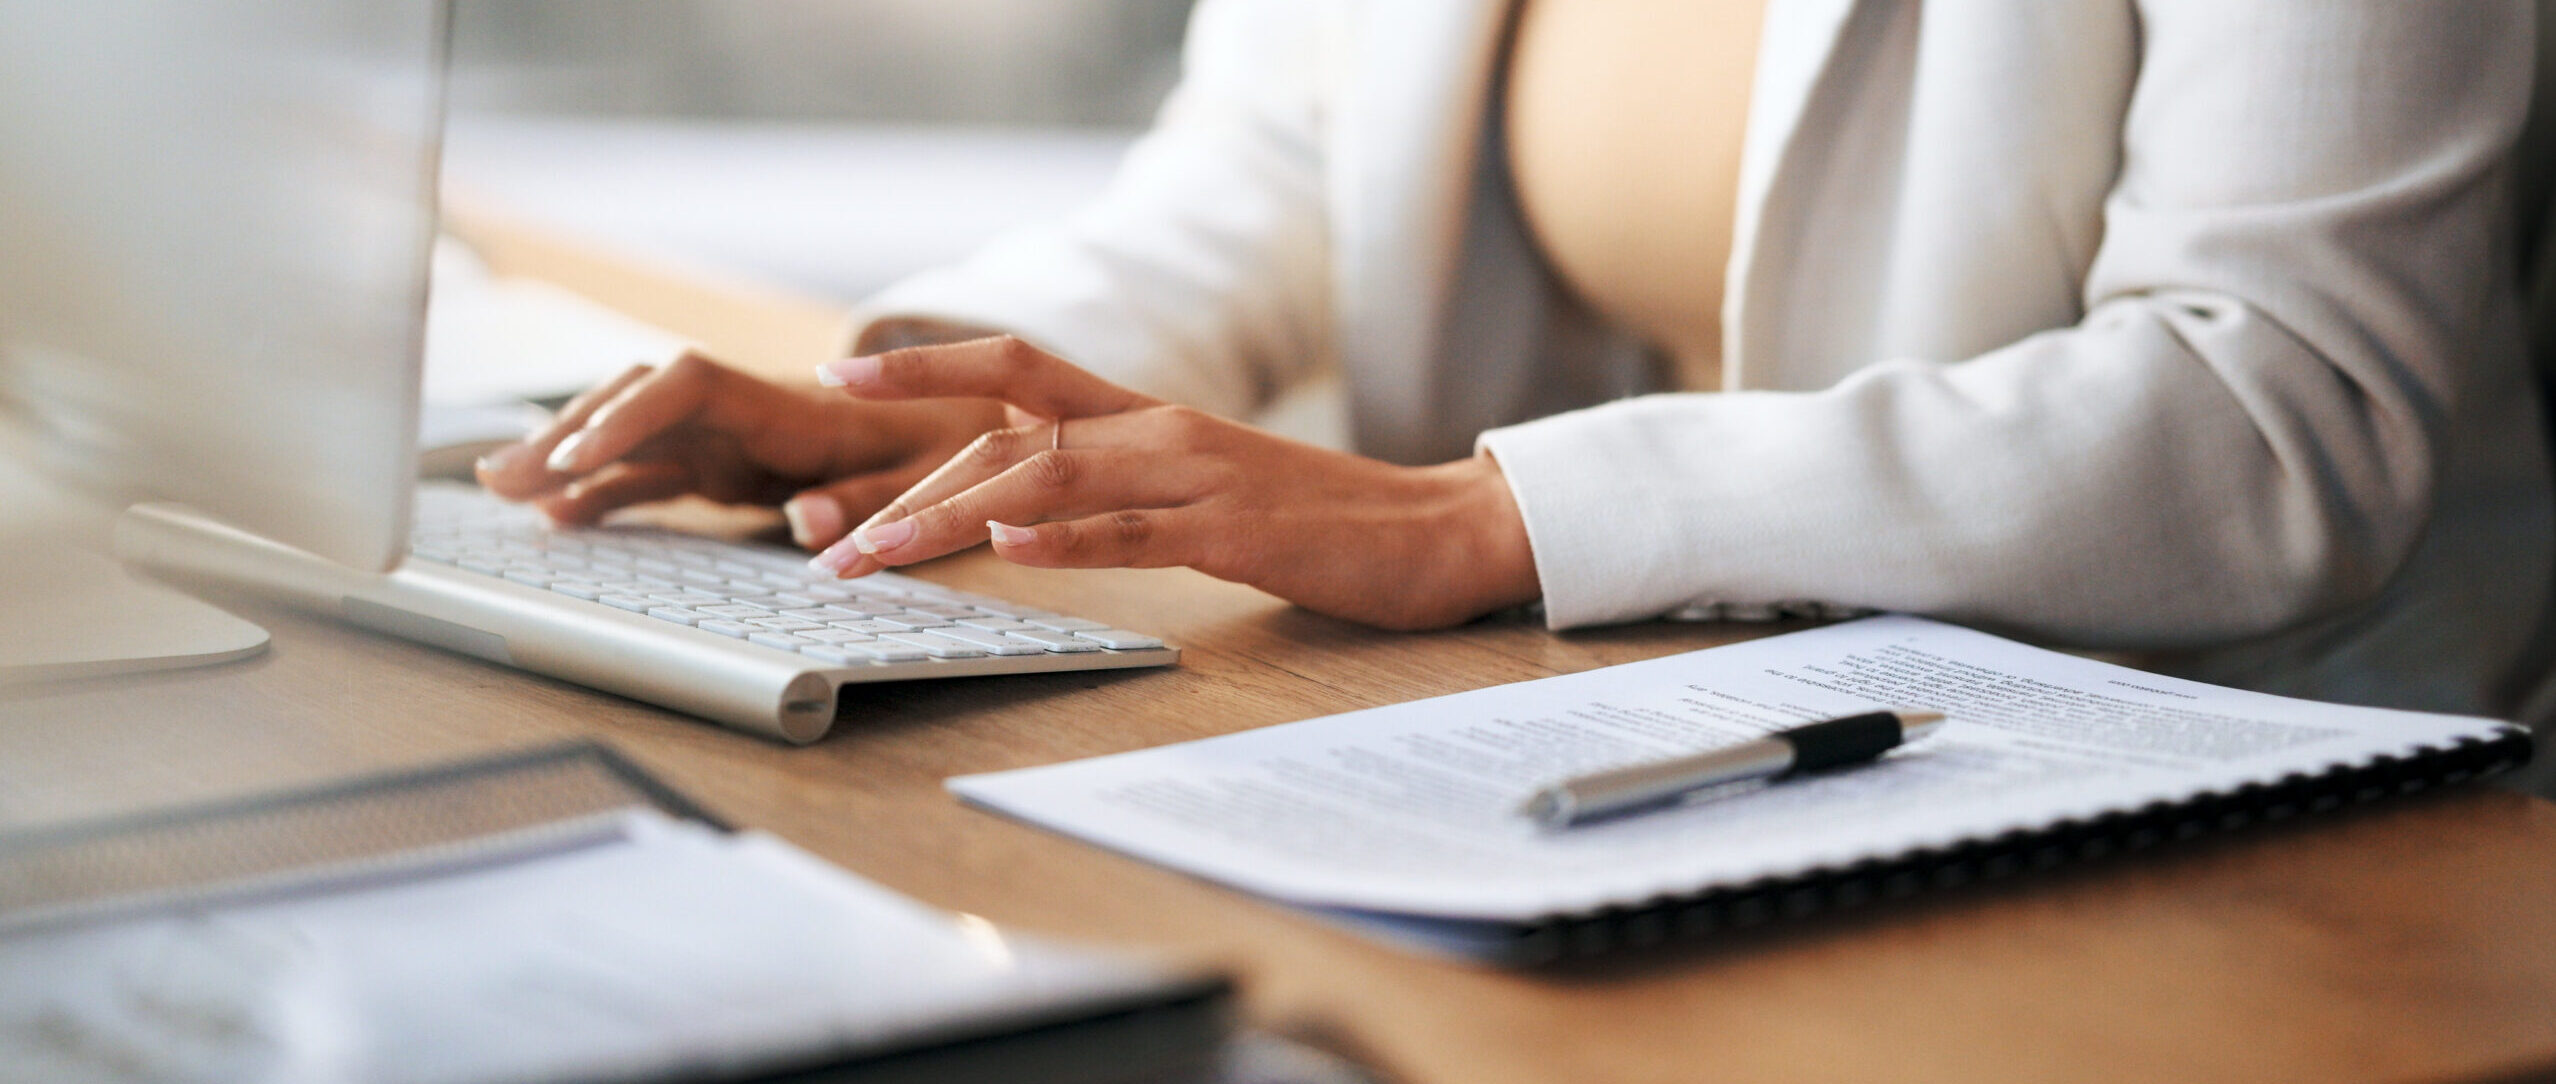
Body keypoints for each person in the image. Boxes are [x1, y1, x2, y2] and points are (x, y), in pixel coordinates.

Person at [477, 1, 2553, 718]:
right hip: (1645, 711)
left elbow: (2275, 405)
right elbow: (1277, 167)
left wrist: (1486, 512)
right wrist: (920, 406)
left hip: (2245, 783)